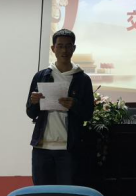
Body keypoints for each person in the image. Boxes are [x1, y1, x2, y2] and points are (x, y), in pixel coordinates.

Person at [26, 28, 95, 185]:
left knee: (67, 191)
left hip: (69, 149)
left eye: (68, 46)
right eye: (60, 46)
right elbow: (30, 113)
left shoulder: (82, 79)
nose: (64, 50)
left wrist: (74, 105)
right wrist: (34, 102)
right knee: (42, 192)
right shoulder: (41, 76)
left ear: (74, 48)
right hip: (42, 147)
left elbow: (88, 114)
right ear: (53, 48)